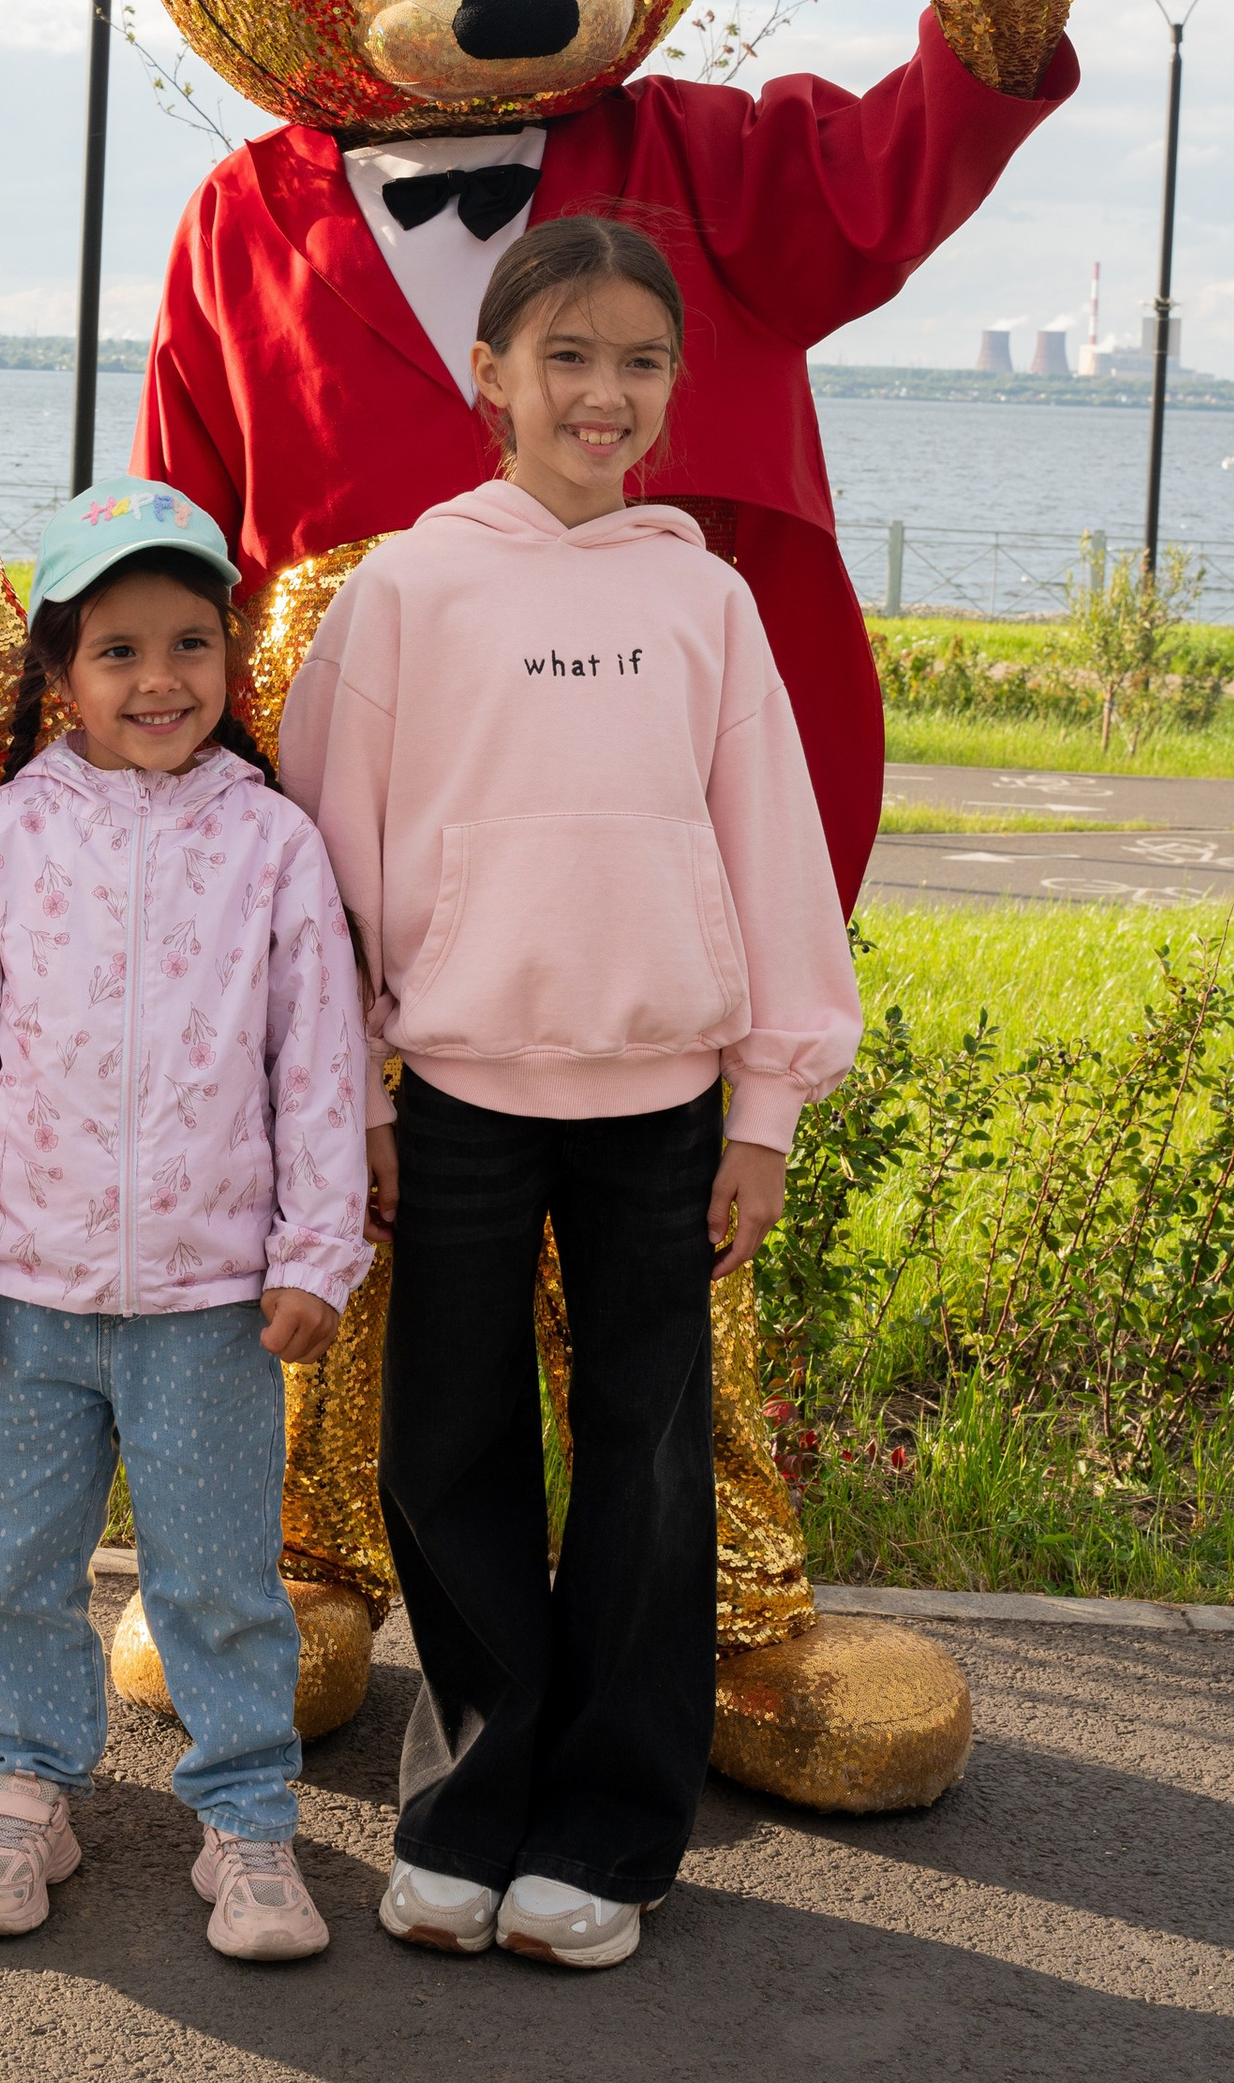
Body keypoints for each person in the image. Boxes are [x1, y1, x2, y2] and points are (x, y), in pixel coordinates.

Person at [281, 215, 863, 1975]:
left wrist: (764, 1109)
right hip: (459, 1091)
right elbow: (327, 858)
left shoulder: (705, 599)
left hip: (664, 1104)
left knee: (648, 1461)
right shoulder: (410, 589)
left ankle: (607, 1829)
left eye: (641, 362)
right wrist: (355, 1095)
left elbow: (772, 853)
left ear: (673, 386)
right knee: (447, 1448)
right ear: (492, 373)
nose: (605, 393)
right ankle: (469, 1809)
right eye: (569, 356)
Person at [0, 480, 371, 1965]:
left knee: (217, 1577)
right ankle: (26, 1788)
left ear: (230, 654)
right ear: (59, 671)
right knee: (8, 1565)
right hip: (22, 1295)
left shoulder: (273, 844)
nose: (160, 680)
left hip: (213, 1304)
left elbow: (320, 1058)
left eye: (189, 643)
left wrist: (317, 1250)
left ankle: (249, 1817)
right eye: (118, 651)